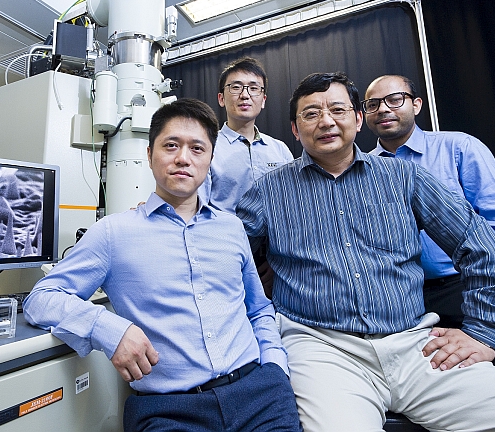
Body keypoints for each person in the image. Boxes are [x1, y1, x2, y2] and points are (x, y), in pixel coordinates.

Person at [235, 72, 495, 431]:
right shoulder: (268, 191)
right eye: (310, 114)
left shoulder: (404, 176)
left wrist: (484, 332)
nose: (326, 120)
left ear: (358, 119)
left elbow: (481, 244)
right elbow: (223, 255)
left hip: (415, 345)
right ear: (295, 130)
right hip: (323, 350)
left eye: (337, 109)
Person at [23, 98, 301, 432]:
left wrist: (275, 366)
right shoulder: (113, 233)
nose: (183, 158)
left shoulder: (232, 228)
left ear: (210, 159)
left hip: (259, 395)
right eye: (171, 145)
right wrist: (110, 329)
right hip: (170, 411)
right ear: (150, 154)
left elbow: (258, 310)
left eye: (197, 148)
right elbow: (41, 298)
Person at [363, 74, 495, 373]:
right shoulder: (363, 169)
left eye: (394, 99)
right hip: (403, 301)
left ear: (416, 104)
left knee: (490, 388)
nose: (384, 109)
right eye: (373, 104)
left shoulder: (458, 148)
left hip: (467, 288)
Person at [198, 57, 294, 213]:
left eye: (254, 88)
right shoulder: (206, 146)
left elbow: (292, 199)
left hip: (276, 236)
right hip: (225, 235)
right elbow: (198, 206)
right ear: (221, 99)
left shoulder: (280, 150)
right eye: (236, 87)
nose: (245, 95)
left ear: (263, 101)